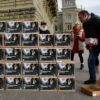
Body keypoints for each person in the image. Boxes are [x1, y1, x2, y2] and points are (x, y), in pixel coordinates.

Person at [78, 10, 100, 84]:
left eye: (80, 17)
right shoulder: (84, 24)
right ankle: (92, 79)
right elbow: (87, 36)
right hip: (93, 45)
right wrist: (87, 44)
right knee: (90, 60)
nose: (79, 19)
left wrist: (97, 39)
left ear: (85, 16)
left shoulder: (96, 19)